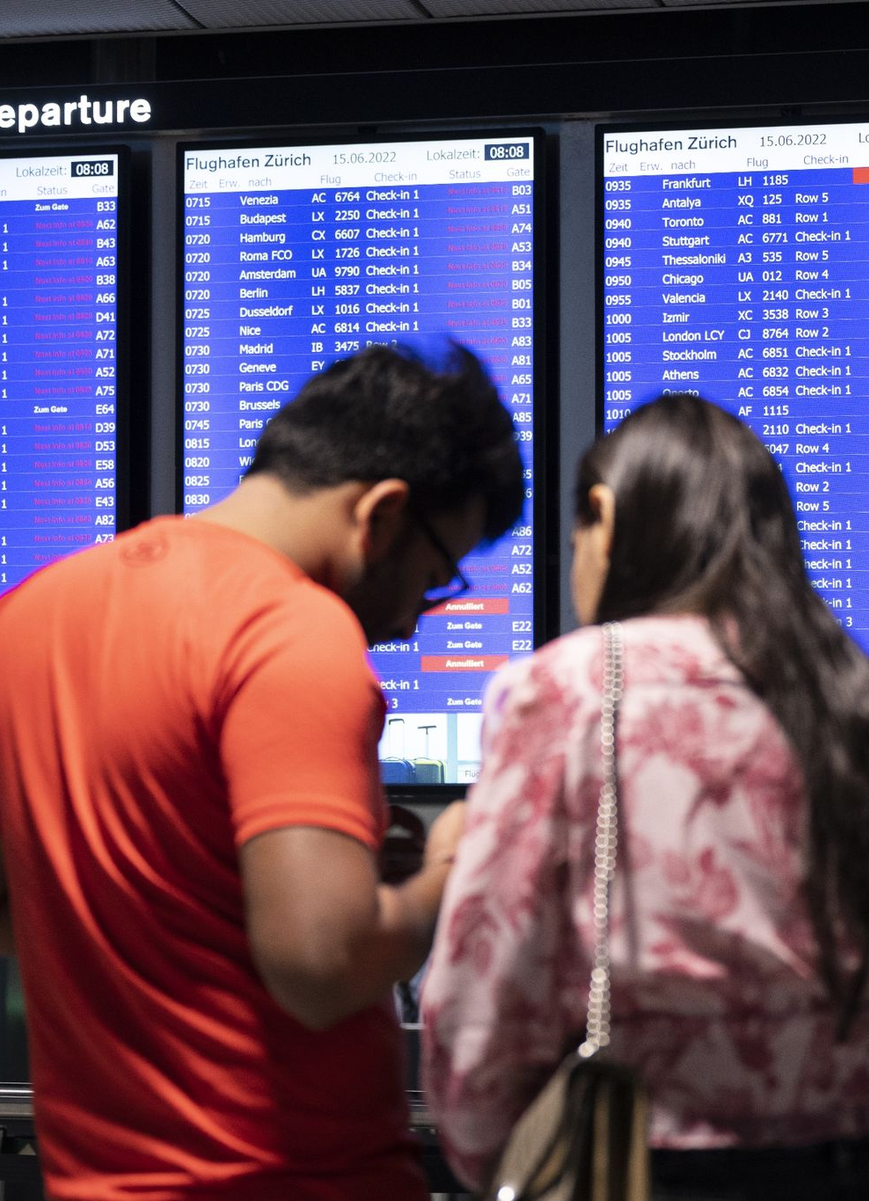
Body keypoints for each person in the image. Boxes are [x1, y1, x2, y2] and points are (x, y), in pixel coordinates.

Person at [420, 393, 869, 1199]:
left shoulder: (564, 695)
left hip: (650, 1172)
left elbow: (484, 1002)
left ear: (605, 514)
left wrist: (495, 1150)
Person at [0, 342, 523, 1200]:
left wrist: (238, 891)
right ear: (382, 514)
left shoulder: (31, 615)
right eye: (434, 579)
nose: (410, 622)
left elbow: (30, 908)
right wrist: (452, 870)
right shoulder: (292, 633)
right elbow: (322, 963)